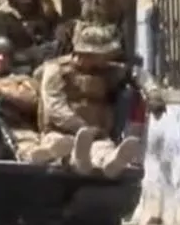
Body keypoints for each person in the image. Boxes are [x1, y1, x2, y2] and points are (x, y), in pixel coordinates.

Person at [38, 22, 165, 177]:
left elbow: (138, 73)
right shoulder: (55, 70)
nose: (104, 58)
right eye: (100, 54)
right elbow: (55, 107)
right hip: (60, 133)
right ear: (85, 53)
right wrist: (82, 127)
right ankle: (80, 160)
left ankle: (111, 162)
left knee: (103, 150)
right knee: (65, 149)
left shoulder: (107, 71)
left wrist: (153, 95)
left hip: (98, 135)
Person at [0, 36, 67, 163]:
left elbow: (32, 100)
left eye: (5, 56)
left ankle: (38, 156)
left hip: (15, 127)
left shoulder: (21, 79)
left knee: (29, 146)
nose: (0, 59)